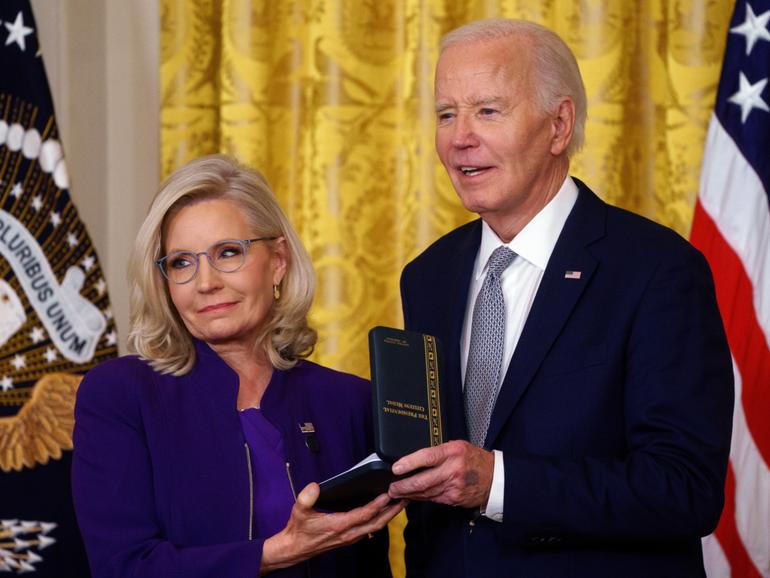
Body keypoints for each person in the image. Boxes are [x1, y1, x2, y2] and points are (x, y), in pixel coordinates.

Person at [388, 18, 734, 577]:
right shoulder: (428, 275)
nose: (459, 137)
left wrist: (496, 482)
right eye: (446, 113)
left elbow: (683, 487)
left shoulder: (656, 269)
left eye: (488, 111)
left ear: (559, 125)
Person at [72, 155, 404, 578]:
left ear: (278, 261)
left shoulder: (350, 400)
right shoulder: (120, 394)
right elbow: (122, 567)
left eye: (228, 253)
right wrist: (272, 553)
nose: (206, 282)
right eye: (181, 262)